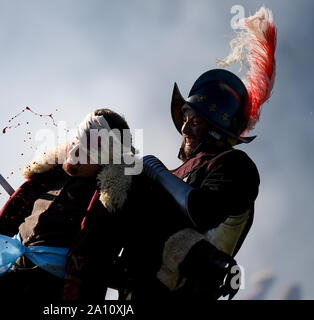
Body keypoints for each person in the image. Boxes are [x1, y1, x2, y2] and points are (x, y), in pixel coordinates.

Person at [117, 6, 276, 302]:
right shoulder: (179, 174)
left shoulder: (235, 165)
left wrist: (155, 170)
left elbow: (202, 212)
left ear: (217, 130)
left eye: (196, 120)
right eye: (186, 116)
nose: (186, 126)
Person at [0, 108, 139, 301]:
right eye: (77, 139)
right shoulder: (46, 179)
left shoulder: (107, 206)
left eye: (88, 150)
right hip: (5, 277)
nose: (75, 151)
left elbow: (105, 265)